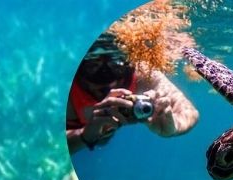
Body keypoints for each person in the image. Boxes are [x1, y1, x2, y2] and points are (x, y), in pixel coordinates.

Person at [67, 34, 199, 153]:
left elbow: (189, 112)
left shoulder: (143, 73)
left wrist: (174, 125)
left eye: (117, 67)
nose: (110, 91)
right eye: (93, 66)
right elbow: (49, 145)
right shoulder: (66, 93)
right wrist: (83, 135)